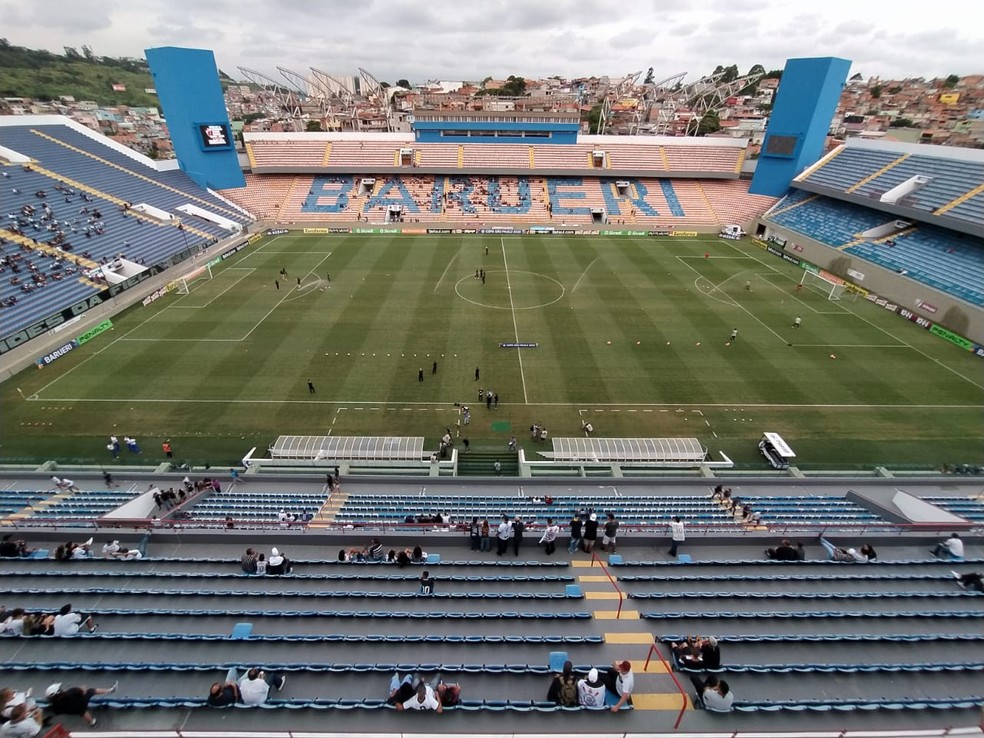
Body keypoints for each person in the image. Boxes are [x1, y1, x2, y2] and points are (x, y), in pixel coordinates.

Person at [45, 681, 117, 727]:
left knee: (82, 712)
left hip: (72, 710)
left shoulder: (55, 705)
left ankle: (92, 722)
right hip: (81, 701)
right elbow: (83, 691)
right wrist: (83, 687)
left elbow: (57, 712)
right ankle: (110, 690)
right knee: (91, 690)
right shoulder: (71, 692)